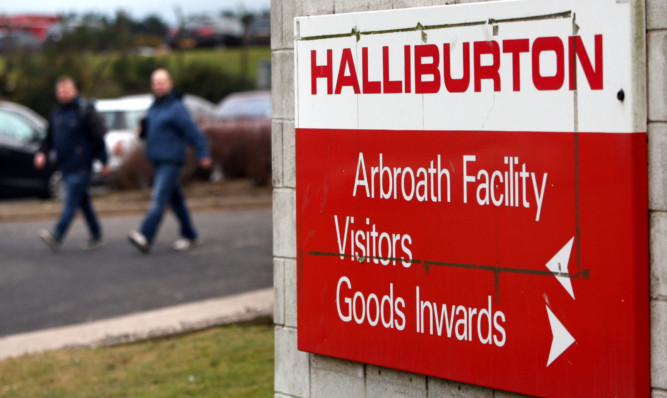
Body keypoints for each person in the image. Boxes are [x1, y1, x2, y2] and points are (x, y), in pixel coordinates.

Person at [128, 69, 211, 253]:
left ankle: (145, 235)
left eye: (162, 82)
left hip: (171, 160)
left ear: (169, 84)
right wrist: (142, 131)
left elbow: (192, 131)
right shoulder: (154, 107)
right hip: (157, 160)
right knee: (176, 201)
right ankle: (190, 235)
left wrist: (203, 153)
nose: (158, 86)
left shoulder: (176, 107)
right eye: (155, 83)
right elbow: (151, 131)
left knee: (158, 199)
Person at [34, 76, 109, 251]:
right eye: (60, 90)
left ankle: (57, 236)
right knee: (83, 202)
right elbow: (49, 138)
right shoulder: (57, 113)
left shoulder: (83, 111)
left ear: (74, 90)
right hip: (65, 165)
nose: (63, 93)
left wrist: (104, 161)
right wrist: (42, 153)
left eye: (66, 90)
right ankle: (97, 234)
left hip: (82, 165)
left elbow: (97, 138)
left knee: (71, 201)